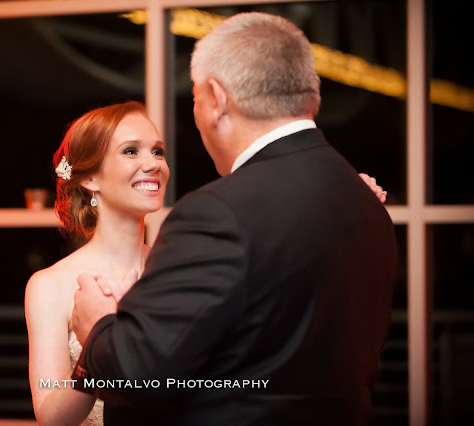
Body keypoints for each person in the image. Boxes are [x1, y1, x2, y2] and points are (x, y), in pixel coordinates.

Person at [70, 11, 397, 426]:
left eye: (194, 98)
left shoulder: (218, 213)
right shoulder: (365, 201)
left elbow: (141, 377)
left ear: (217, 99)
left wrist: (98, 325)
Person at [24, 101, 170, 426]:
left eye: (157, 152)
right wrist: (97, 349)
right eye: (131, 151)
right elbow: (51, 418)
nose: (153, 164)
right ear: (90, 178)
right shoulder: (50, 285)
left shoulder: (176, 271)